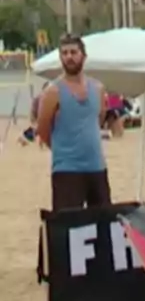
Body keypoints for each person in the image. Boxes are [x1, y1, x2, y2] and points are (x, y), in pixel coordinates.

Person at [36, 35, 112, 210]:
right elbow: (43, 128)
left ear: (83, 56)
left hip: (96, 166)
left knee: (102, 221)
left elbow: (98, 119)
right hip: (67, 169)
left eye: (73, 52)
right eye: (64, 53)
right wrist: (63, 149)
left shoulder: (98, 88)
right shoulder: (52, 92)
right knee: (67, 225)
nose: (69, 57)